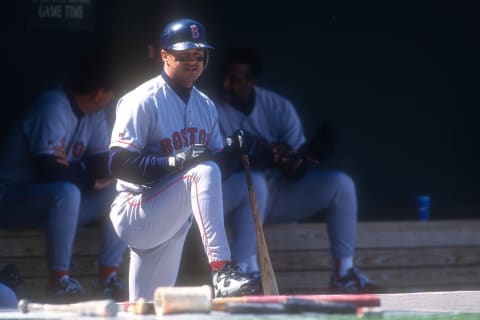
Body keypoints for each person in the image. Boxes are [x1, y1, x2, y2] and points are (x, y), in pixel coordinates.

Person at [108, 18, 259, 301]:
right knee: (199, 172)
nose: (193, 61)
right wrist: (174, 162)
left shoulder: (205, 106)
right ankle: (222, 269)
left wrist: (230, 151)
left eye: (199, 55)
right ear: (165, 55)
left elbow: (213, 172)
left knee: (147, 308)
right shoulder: (142, 100)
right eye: (184, 55)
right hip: (135, 210)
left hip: (172, 220)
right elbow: (118, 164)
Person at [215, 45, 376, 293]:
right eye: (224, 76)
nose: (226, 84)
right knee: (254, 180)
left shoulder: (278, 107)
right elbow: (216, 168)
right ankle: (243, 272)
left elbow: (298, 172)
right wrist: (263, 156)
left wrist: (290, 162)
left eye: (234, 79)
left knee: (342, 185)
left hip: (275, 195)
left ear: (251, 81)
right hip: (232, 199)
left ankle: (344, 273)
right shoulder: (210, 109)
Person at [0, 46, 128, 301]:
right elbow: (48, 172)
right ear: (99, 93)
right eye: (110, 93)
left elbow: (103, 168)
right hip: (12, 200)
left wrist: (72, 167)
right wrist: (86, 175)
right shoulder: (53, 106)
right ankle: (59, 281)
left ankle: (108, 278)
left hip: (55, 204)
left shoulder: (95, 115)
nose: (112, 98)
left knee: (119, 190)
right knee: (66, 191)